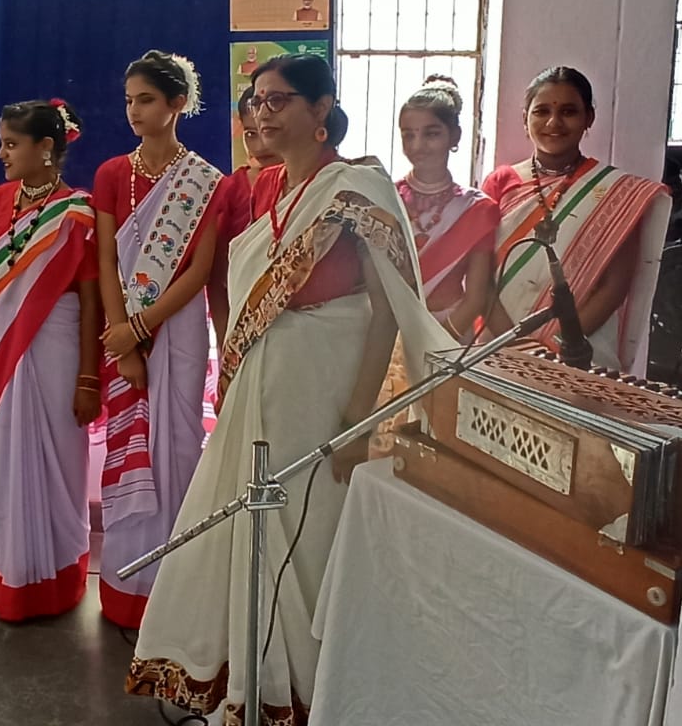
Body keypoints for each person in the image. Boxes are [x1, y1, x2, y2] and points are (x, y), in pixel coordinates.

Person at [127, 54, 447, 725]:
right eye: (255, 100)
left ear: (320, 109)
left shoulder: (356, 186)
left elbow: (390, 309)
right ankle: (255, 689)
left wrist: (359, 421)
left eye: (278, 100)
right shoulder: (273, 190)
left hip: (321, 396)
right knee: (256, 533)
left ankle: (308, 698)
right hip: (261, 394)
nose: (261, 111)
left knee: (304, 546)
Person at [0, 99, 101, 621]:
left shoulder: (80, 210)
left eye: (12, 144)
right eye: (2, 142)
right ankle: (6, 574)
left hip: (56, 349)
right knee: (6, 462)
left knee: (59, 461)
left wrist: (88, 377)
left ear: (46, 149)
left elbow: (90, 301)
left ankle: (56, 579)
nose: (1, 154)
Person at [93, 51, 223, 629]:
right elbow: (104, 260)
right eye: (128, 100)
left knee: (176, 444)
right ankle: (126, 587)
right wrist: (124, 340)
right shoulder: (111, 174)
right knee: (130, 445)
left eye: (145, 99)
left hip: (180, 328)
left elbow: (197, 271)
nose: (133, 111)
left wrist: (141, 329)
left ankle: (172, 591)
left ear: (177, 104)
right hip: (122, 325)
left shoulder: (207, 182)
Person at [482, 66, 671, 372]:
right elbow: (480, 275)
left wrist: (556, 342)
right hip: (499, 345)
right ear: (525, 118)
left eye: (569, 111)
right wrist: (515, 343)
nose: (553, 123)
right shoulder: (501, 183)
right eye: (541, 111)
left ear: (589, 119)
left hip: (577, 351)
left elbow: (614, 285)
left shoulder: (617, 194)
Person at [396, 75, 500, 340]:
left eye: (431, 134)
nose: (418, 146)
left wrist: (437, 344)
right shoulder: (385, 197)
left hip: (450, 334)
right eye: (409, 135)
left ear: (455, 135)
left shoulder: (477, 209)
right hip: (391, 331)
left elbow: (476, 297)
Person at [210, 86, 283, 346]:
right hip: (240, 321)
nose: (260, 145)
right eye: (251, 134)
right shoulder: (230, 189)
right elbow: (216, 275)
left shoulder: (315, 186)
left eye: (268, 132)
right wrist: (224, 339)